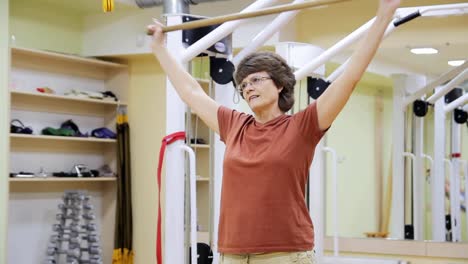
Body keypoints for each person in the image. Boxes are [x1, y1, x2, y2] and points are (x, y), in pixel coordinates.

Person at [148, 0, 400, 263]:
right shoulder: (235, 125)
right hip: (232, 253)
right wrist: (160, 50)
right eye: (243, 85)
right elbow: (190, 91)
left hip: (284, 253)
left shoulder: (303, 127)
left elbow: (350, 78)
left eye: (256, 79)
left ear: (279, 85)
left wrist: (384, 15)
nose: (248, 88)